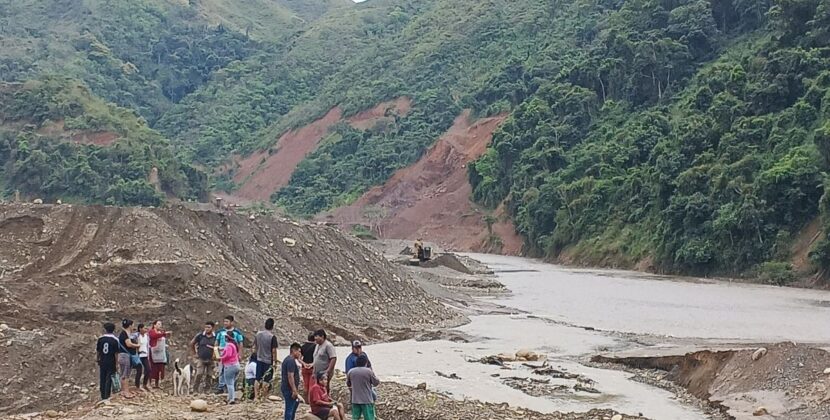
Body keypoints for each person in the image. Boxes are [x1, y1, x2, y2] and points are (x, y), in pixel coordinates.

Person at [215, 315, 244, 394]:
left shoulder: (237, 333)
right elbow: (216, 343)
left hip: (233, 354)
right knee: (221, 370)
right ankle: (221, 387)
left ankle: (231, 387)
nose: (225, 323)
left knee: (232, 370)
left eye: (227, 322)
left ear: (232, 322)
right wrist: (216, 353)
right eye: (224, 321)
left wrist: (240, 354)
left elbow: (240, 344)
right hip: (222, 353)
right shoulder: (220, 332)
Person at [347, 355, 380, 420]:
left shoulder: (351, 371)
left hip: (355, 399)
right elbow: (376, 383)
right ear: (366, 362)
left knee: (355, 418)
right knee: (369, 418)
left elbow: (348, 383)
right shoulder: (368, 371)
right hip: (366, 400)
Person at [253, 318, 279, 400]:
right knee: (266, 379)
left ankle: (256, 396)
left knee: (257, 378)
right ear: (272, 326)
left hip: (259, 359)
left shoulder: (258, 334)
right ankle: (264, 397)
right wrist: (275, 362)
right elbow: (273, 351)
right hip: (268, 361)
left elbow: (255, 346)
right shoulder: (272, 337)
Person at [190, 321, 216, 393]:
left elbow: (219, 346)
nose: (207, 329)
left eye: (209, 327)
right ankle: (195, 389)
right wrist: (194, 353)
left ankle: (207, 390)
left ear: (212, 328)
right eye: (206, 327)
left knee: (209, 375)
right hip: (201, 358)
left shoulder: (216, 336)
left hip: (211, 359)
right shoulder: (200, 336)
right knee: (199, 374)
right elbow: (192, 343)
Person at [117, 319, 141, 399]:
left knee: (124, 373)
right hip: (125, 355)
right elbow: (129, 344)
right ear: (130, 325)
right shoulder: (124, 334)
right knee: (126, 374)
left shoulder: (125, 333)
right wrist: (137, 345)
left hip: (123, 356)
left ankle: (124, 390)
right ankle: (126, 392)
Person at [96, 322, 120, 401]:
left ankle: (102, 395)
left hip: (103, 361)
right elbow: (116, 353)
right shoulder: (115, 340)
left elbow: (98, 351)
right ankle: (107, 395)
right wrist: (117, 364)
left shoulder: (101, 339)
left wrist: (98, 359)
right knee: (109, 378)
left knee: (102, 377)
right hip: (111, 361)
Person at [280, 343, 303, 420]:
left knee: (294, 405)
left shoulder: (288, 359)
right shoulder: (290, 361)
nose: (300, 353)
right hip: (289, 388)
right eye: (299, 351)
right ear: (293, 350)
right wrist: (294, 390)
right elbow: (290, 376)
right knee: (289, 409)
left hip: (287, 387)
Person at [148, 320, 171, 389]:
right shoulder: (152, 331)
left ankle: (157, 384)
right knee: (152, 368)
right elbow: (154, 336)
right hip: (153, 352)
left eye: (160, 324)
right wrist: (164, 334)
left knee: (159, 368)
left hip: (161, 353)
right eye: (158, 324)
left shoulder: (161, 332)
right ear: (154, 325)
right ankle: (149, 383)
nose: (159, 325)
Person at [220, 334, 241, 404]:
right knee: (232, 382)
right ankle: (230, 397)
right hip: (236, 365)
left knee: (229, 383)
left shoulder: (229, 345)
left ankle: (231, 399)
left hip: (229, 365)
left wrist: (221, 358)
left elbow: (228, 355)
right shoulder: (233, 345)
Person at [134, 323, 151, 391]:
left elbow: (147, 345)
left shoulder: (146, 336)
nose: (146, 329)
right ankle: (137, 385)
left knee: (148, 369)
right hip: (139, 355)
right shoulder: (137, 336)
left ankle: (144, 384)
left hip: (145, 355)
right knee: (139, 371)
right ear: (140, 329)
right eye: (144, 328)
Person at [300, 333, 316, 401]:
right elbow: (317, 358)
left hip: (304, 367)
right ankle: (310, 401)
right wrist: (312, 364)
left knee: (305, 385)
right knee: (311, 385)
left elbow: (299, 358)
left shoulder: (303, 346)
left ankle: (305, 400)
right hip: (312, 367)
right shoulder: (316, 346)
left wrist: (304, 363)